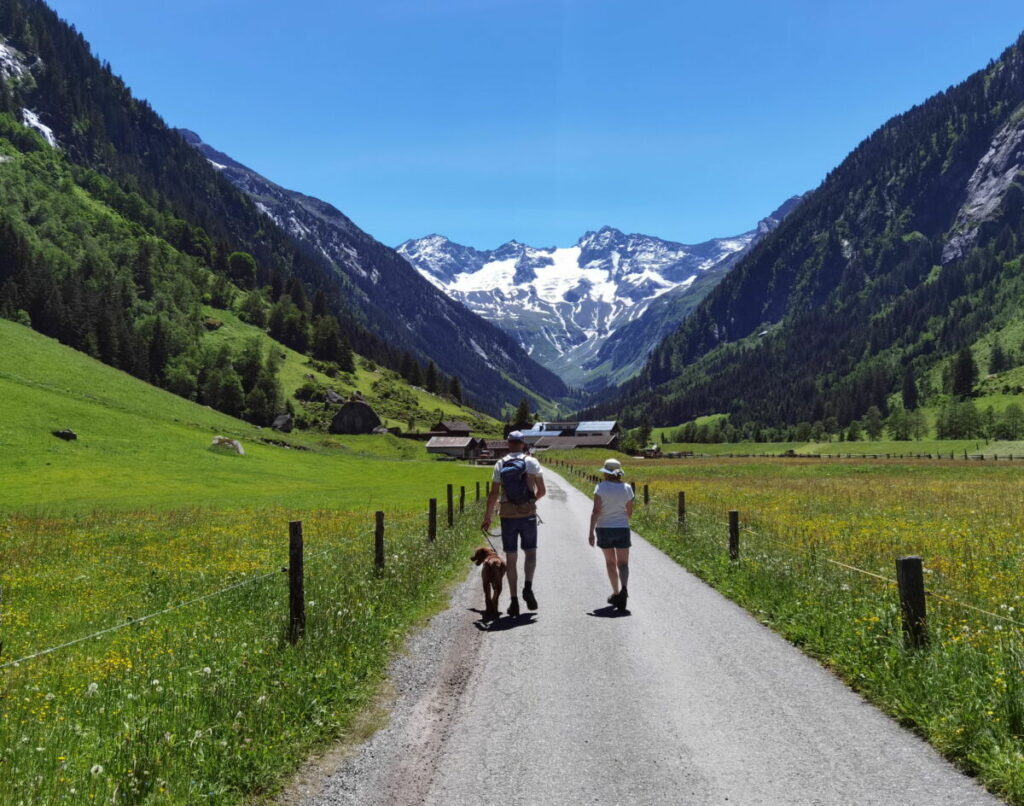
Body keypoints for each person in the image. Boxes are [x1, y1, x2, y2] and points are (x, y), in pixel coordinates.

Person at [482, 431, 546, 617]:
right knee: (530, 553)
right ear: (523, 444)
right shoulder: (532, 462)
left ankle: (514, 601)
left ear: (508, 443)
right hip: (528, 515)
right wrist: (530, 502)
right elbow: (541, 491)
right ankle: (527, 587)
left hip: (507, 516)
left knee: (511, 559)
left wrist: (488, 517)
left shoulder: (500, 463)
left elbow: (493, 493)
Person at [588, 458, 634, 610]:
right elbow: (629, 513)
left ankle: (616, 593)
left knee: (610, 563)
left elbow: (596, 511)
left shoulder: (600, 487)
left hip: (604, 528)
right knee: (624, 564)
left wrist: (591, 532)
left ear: (606, 473)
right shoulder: (627, 488)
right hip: (622, 528)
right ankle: (624, 588)